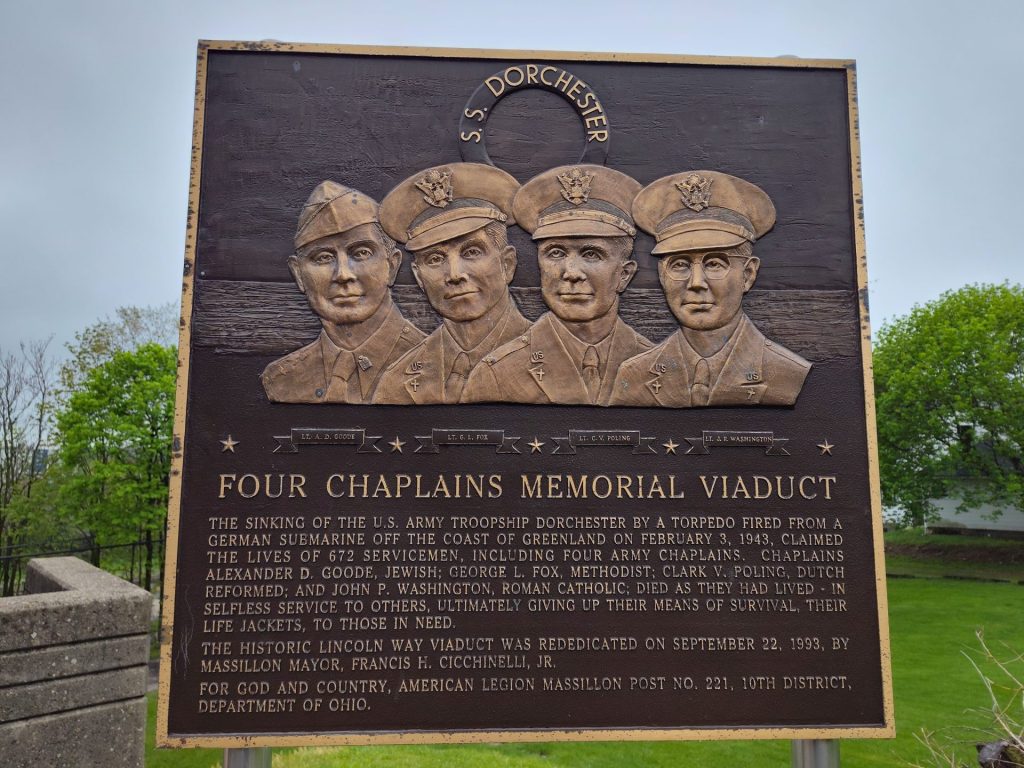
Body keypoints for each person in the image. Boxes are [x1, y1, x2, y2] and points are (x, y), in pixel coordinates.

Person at [609, 170, 810, 407]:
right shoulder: (634, 375)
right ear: (662, 276)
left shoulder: (788, 374)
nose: (696, 282)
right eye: (680, 265)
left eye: (715, 264)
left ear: (748, 274)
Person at [461, 165, 651, 405]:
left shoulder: (656, 365)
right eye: (556, 253)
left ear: (624, 275)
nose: (571, 273)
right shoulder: (495, 374)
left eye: (591, 254)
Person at [372, 163, 530, 404]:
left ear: (507, 264)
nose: (454, 274)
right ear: (418, 277)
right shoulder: (398, 382)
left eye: (472, 252)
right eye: (435, 259)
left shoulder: (555, 363)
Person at [261, 181, 424, 403]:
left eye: (361, 253)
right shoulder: (282, 379)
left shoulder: (440, 369)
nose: (343, 274)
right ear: (298, 275)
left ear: (392, 265)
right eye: (323, 258)